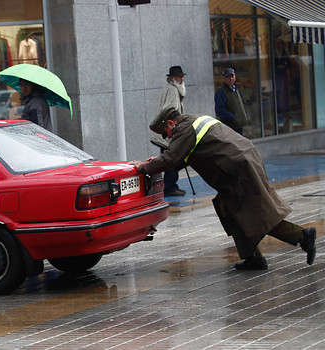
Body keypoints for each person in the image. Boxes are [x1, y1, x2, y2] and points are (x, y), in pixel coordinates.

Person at [132, 107, 316, 270]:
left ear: (170, 123)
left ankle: (302, 236)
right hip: (242, 162)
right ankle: (253, 258)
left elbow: (171, 158)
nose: (169, 138)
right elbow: (184, 157)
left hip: (238, 169)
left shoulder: (184, 129)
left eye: (166, 133)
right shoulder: (194, 120)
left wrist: (143, 167)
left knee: (255, 214)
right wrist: (156, 163)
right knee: (231, 210)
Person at [151, 66, 187, 196]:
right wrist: (175, 126)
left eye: (182, 76)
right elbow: (169, 111)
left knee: (170, 159)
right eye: (179, 76)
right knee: (173, 159)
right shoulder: (172, 90)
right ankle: (170, 187)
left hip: (165, 132)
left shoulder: (169, 88)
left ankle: (169, 186)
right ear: (172, 78)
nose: (182, 79)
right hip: (168, 132)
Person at [214, 67, 248, 135]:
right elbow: (219, 110)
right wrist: (232, 118)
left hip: (239, 126)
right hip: (230, 127)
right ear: (224, 79)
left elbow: (241, 103)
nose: (230, 79)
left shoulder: (236, 90)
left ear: (235, 77)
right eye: (228, 77)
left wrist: (244, 114)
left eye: (232, 76)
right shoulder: (221, 92)